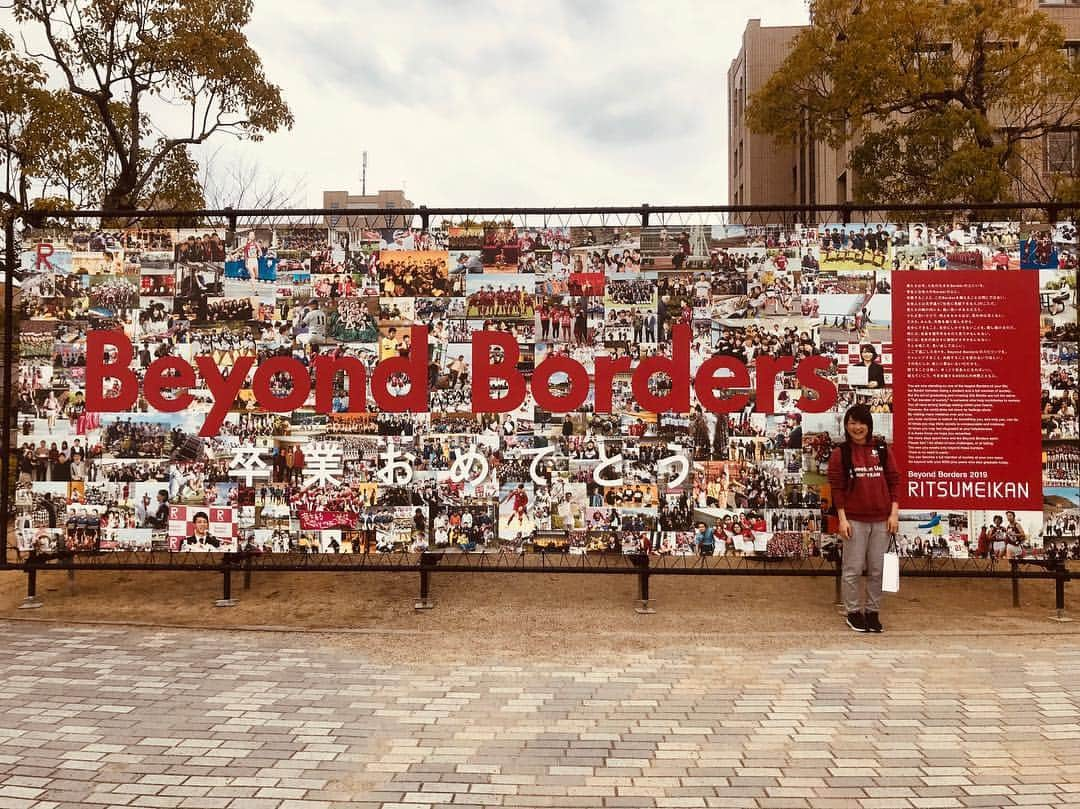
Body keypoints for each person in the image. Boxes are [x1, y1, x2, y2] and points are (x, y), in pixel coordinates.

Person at [827, 404, 899, 633]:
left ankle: (873, 612)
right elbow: (837, 488)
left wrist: (894, 513)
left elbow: (894, 480)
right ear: (846, 425)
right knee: (853, 569)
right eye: (852, 422)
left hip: (882, 520)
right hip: (854, 521)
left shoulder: (881, 449)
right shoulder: (841, 453)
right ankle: (853, 612)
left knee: (877, 570)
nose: (857, 427)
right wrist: (842, 519)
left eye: (861, 423)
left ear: (869, 425)